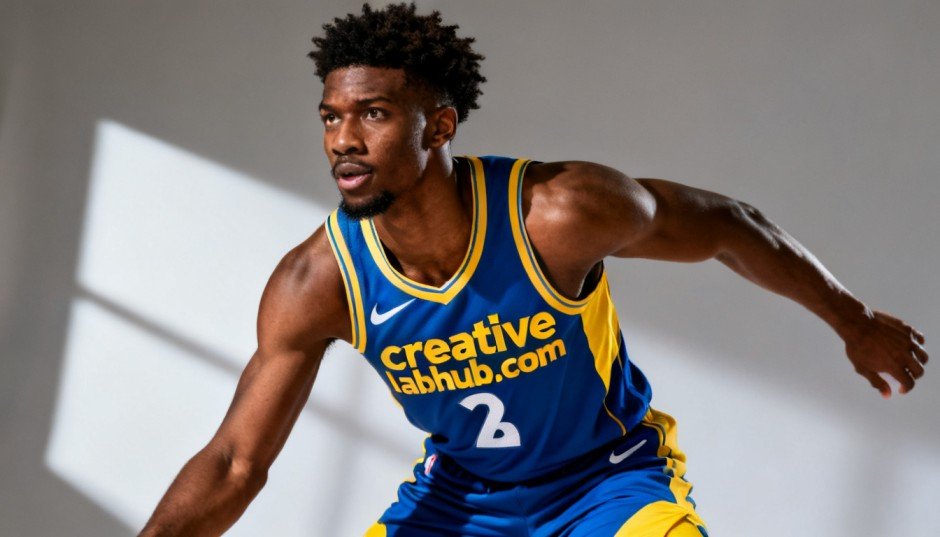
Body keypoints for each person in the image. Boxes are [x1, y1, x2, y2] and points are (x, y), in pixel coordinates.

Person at [138, 3, 928, 536]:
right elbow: (235, 462)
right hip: (461, 501)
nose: (343, 138)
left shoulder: (556, 213)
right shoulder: (319, 281)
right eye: (331, 117)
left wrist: (853, 321)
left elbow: (729, 225)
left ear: (438, 127)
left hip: (606, 483)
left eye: (373, 114)